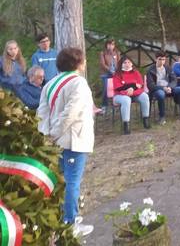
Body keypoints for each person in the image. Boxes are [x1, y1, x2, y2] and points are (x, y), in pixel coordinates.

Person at [37, 47, 94, 238]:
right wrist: (54, 134)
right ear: (77, 63)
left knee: (62, 180)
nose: (85, 63)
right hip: (72, 139)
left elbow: (42, 115)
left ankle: (64, 219)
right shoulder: (78, 83)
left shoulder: (50, 84)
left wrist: (46, 135)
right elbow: (71, 112)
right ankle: (70, 223)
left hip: (56, 140)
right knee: (72, 181)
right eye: (83, 60)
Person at [146, 51, 180, 122]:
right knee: (161, 94)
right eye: (160, 59)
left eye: (163, 59)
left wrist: (170, 87)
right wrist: (163, 88)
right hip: (157, 89)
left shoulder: (168, 68)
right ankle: (162, 116)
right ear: (156, 59)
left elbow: (174, 80)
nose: (162, 61)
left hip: (168, 88)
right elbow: (150, 85)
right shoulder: (150, 70)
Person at [112, 56, 151, 135]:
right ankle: (126, 125)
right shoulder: (117, 74)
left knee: (145, 96)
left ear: (132, 63)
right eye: (125, 63)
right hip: (120, 95)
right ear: (121, 64)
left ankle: (146, 120)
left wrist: (132, 89)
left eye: (129, 62)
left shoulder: (136, 72)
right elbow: (118, 88)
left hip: (134, 94)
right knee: (126, 100)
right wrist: (133, 86)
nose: (127, 64)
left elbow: (140, 85)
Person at [99, 39, 120, 112]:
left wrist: (117, 71)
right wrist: (111, 71)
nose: (111, 46)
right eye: (109, 44)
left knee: (116, 88)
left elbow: (119, 63)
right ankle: (104, 105)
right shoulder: (103, 53)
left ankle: (115, 103)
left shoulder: (117, 53)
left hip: (115, 73)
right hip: (106, 74)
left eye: (112, 44)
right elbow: (103, 64)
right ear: (106, 45)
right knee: (106, 89)